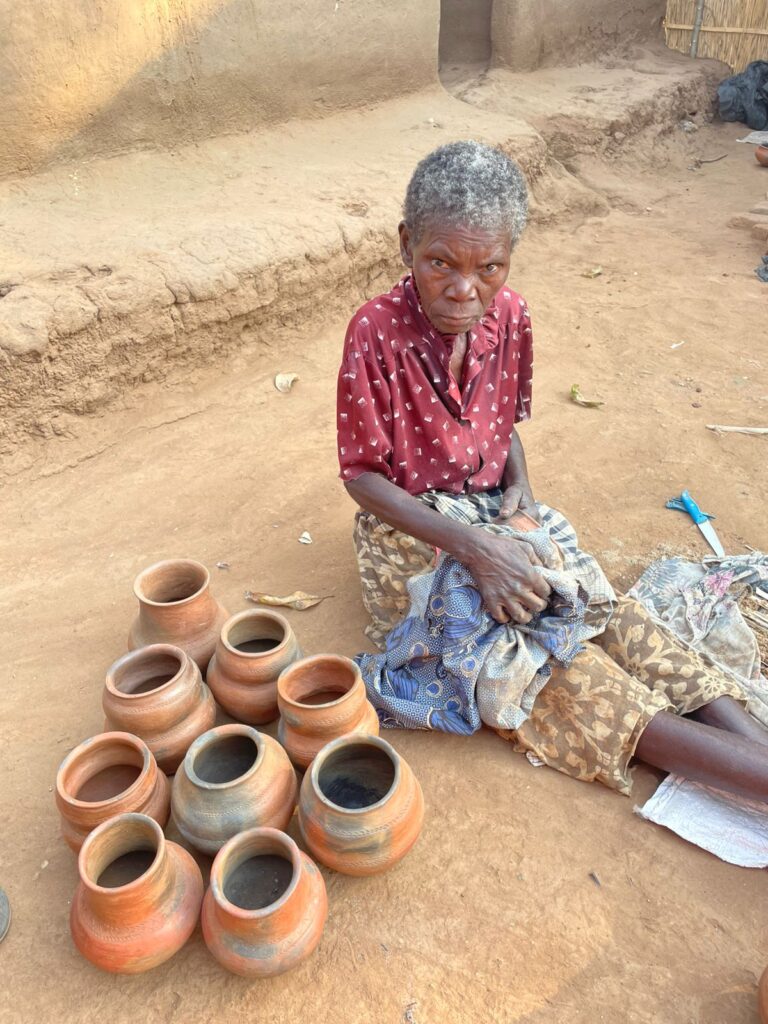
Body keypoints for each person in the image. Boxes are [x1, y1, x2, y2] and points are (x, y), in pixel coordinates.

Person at [336, 140, 768, 802]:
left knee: (608, 615)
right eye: (440, 263)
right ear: (405, 246)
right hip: (413, 537)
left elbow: (502, 426)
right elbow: (362, 478)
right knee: (540, 663)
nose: (463, 290)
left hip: (494, 515)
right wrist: (477, 550)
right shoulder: (374, 332)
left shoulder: (510, 317)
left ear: (509, 259)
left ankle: (753, 748)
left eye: (489, 268)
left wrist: (522, 503)